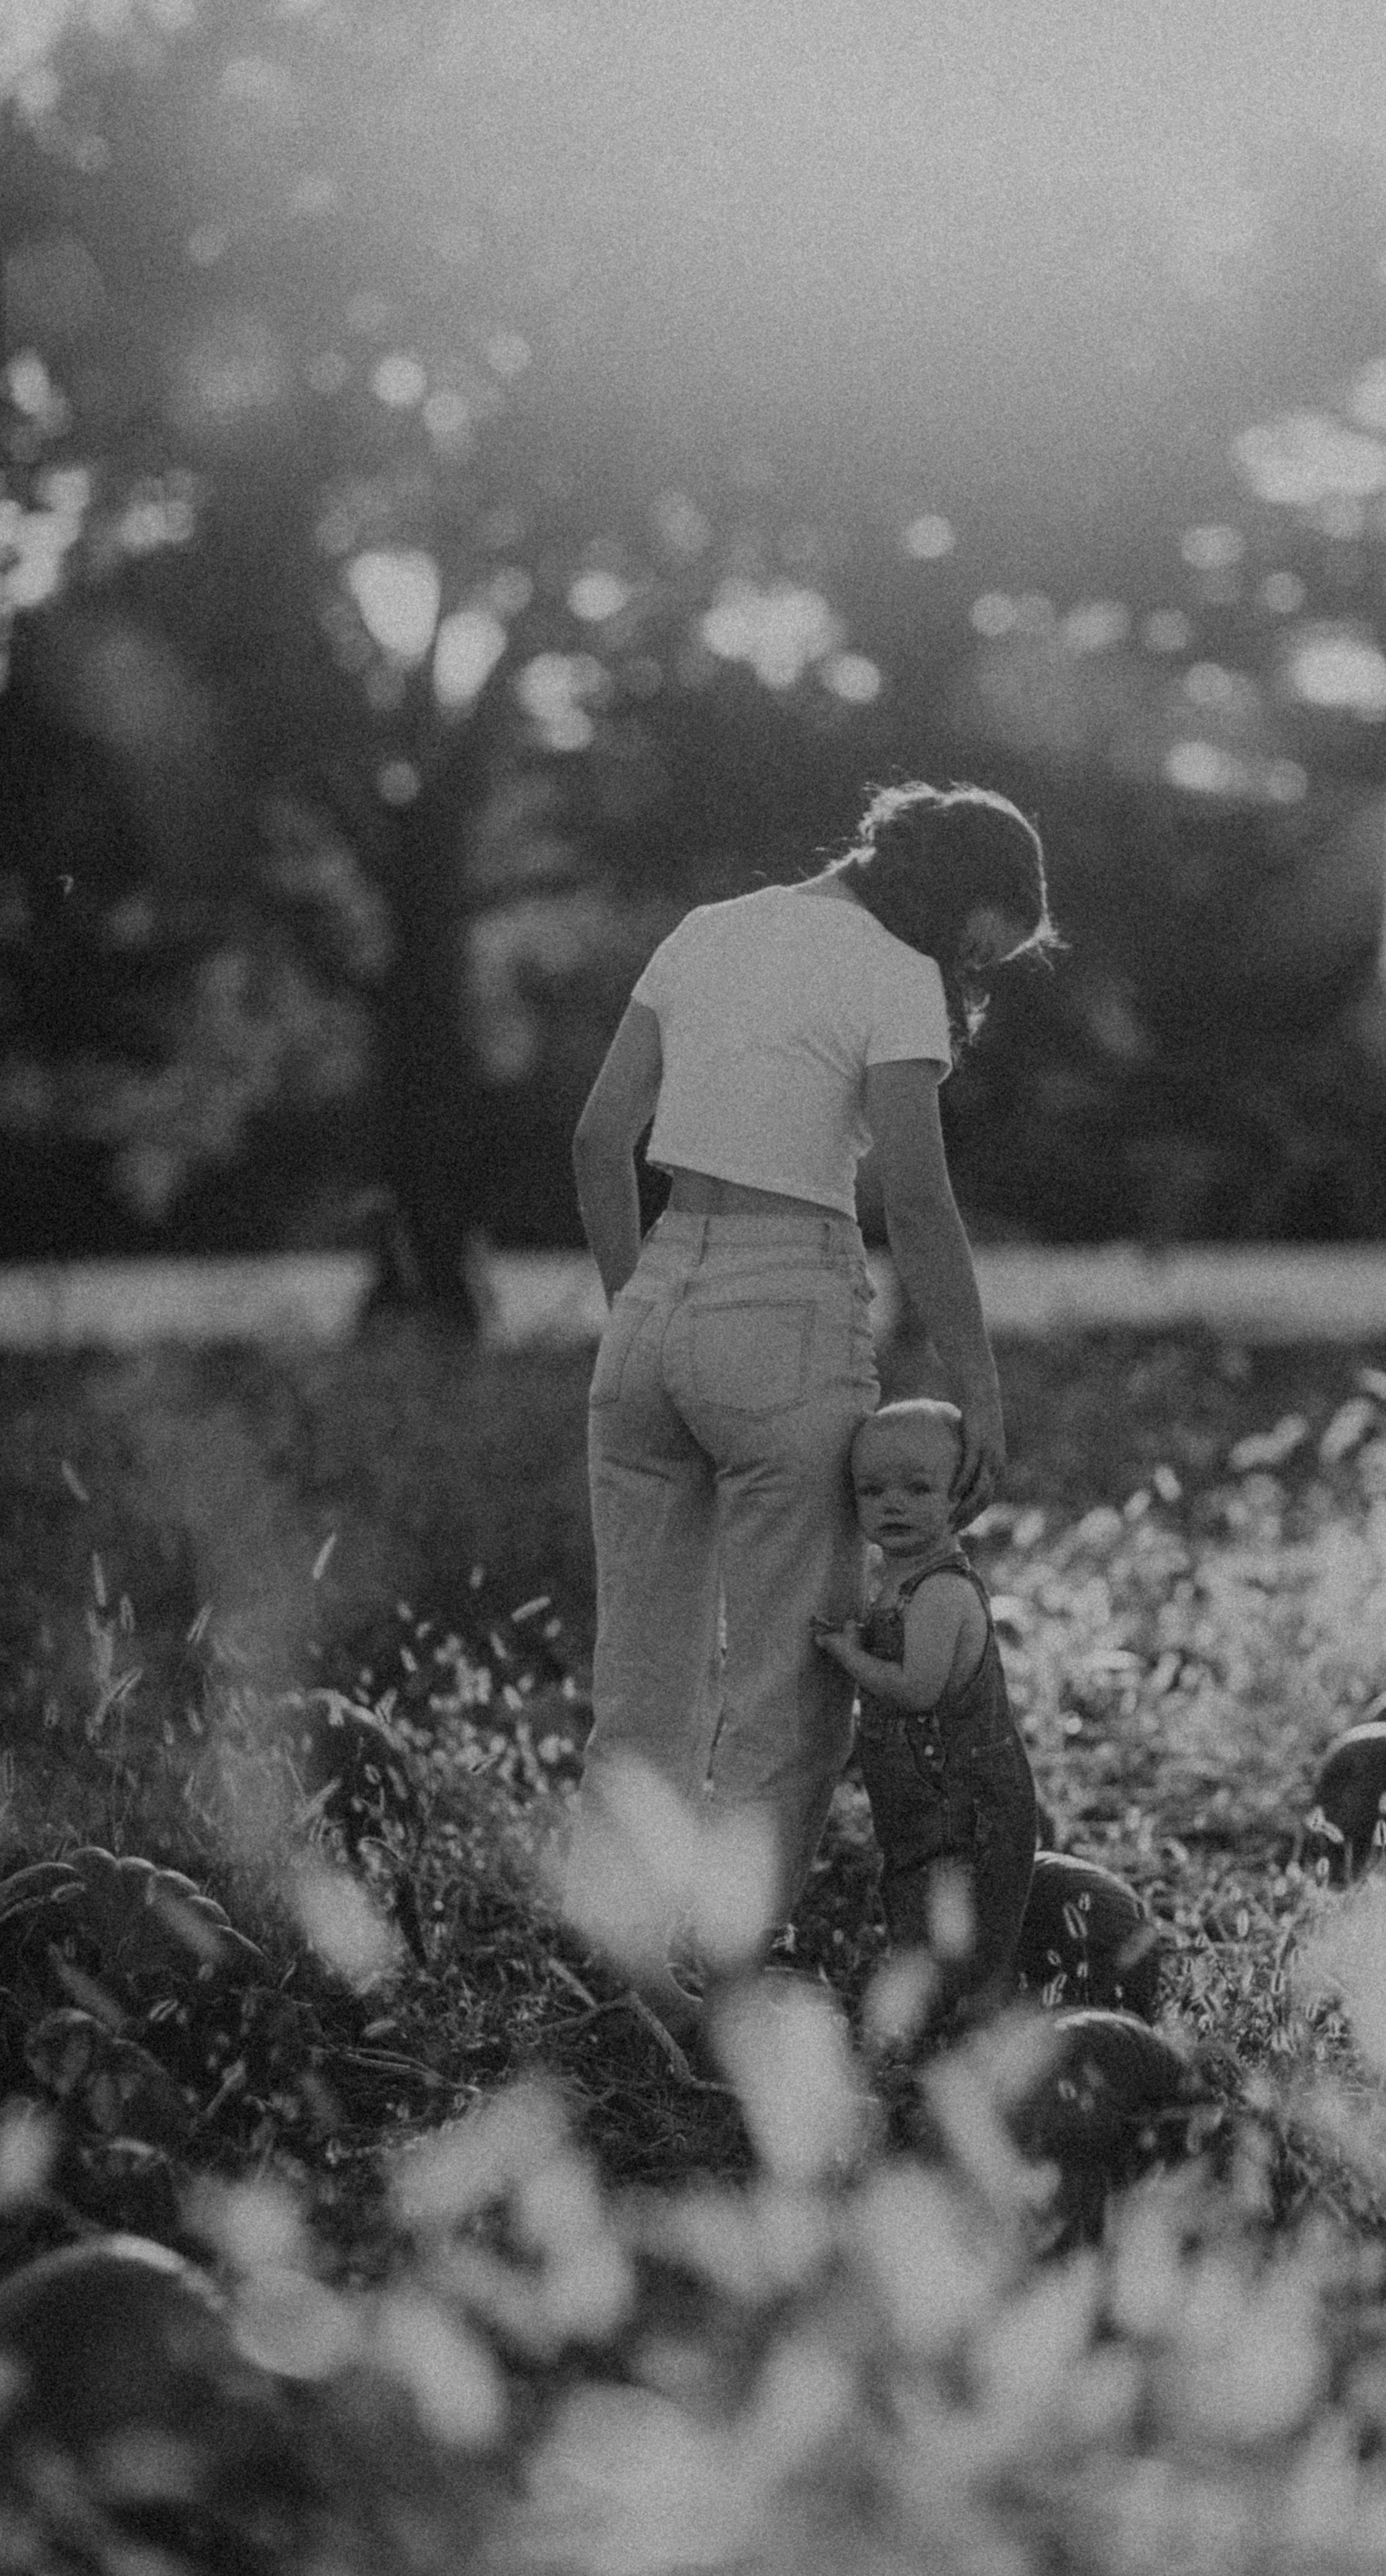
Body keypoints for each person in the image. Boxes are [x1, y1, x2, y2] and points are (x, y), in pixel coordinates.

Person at [570, 780, 1056, 2039]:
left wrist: (648, 1306)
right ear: (953, 905)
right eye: (978, 947)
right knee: (793, 1682)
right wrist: (980, 1387)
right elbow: (922, 1201)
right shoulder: (890, 971)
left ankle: (624, 1970)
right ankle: (727, 1980)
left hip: (653, 1303)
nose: (968, 973)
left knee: (644, 1674)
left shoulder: (705, 930)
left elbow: (597, 1136)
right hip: (787, 1312)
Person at [812, 1399, 1038, 2034]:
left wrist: (847, 1654)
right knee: (916, 1919)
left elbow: (916, 1692)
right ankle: (927, 2038)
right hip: (921, 1808)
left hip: (972, 1811)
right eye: (873, 1490)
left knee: (968, 1940)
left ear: (959, 1498)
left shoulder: (939, 1592)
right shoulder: (896, 1582)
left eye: (919, 1488)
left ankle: (970, 2050)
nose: (893, 1504)